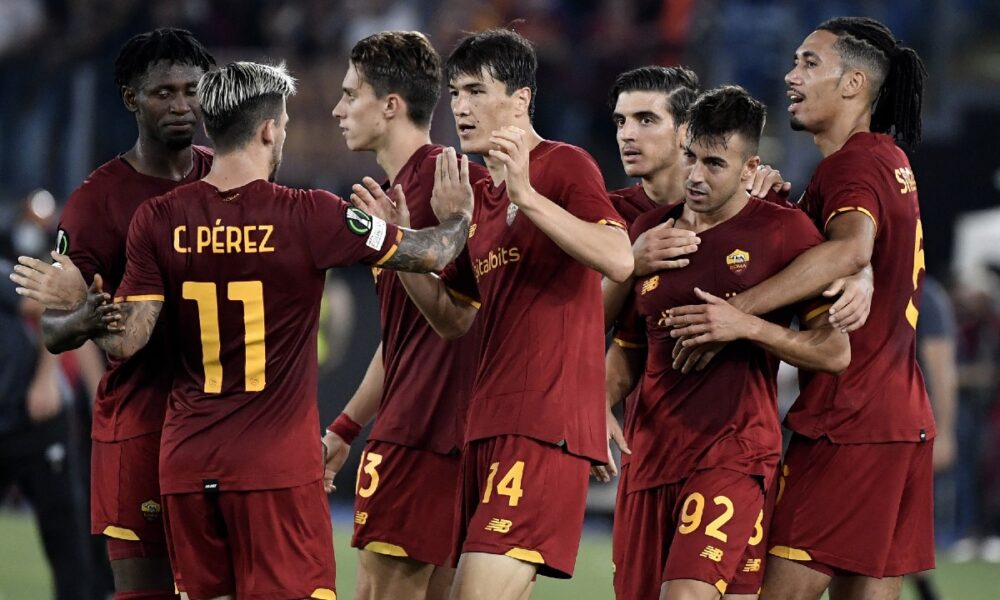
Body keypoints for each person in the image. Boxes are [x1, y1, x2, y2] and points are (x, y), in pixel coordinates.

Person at [79, 59, 474, 600]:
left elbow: (128, 339)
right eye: (284, 123)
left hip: (187, 465)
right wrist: (456, 219)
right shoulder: (311, 214)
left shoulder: (158, 218)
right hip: (275, 471)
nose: (284, 132)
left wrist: (85, 313)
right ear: (268, 130)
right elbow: (432, 253)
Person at [351, 28, 633, 600]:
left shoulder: (563, 165)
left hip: (544, 425)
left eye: (477, 91)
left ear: (522, 99)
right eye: (456, 92)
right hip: (484, 427)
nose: (461, 106)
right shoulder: (475, 198)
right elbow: (453, 319)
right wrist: (401, 245)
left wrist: (527, 196)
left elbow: (619, 258)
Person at [607, 85, 849, 600]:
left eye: (715, 163)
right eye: (690, 157)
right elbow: (629, 347)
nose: (696, 175)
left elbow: (834, 350)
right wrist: (594, 402)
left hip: (733, 453)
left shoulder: (784, 232)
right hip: (649, 459)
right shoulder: (651, 231)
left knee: (686, 594)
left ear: (749, 167)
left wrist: (748, 326)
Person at [10, 28, 216, 600]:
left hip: (222, 425)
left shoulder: (227, 177)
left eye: (192, 91)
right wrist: (88, 317)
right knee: (143, 590)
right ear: (130, 99)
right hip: (141, 428)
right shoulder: (96, 203)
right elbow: (54, 329)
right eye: (164, 93)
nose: (182, 105)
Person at [744, 17, 934, 600]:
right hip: (899, 418)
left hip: (849, 419)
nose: (791, 75)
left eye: (809, 63)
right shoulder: (888, 159)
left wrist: (737, 311)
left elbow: (851, 246)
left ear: (853, 83)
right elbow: (858, 250)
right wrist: (787, 211)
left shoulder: (850, 164)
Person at [323, 30, 487, 600]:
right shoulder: (402, 189)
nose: (338, 109)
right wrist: (346, 427)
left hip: (424, 436)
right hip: (433, 433)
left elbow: (458, 320)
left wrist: (395, 244)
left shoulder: (451, 186)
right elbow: (404, 339)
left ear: (391, 105)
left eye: (351, 94)